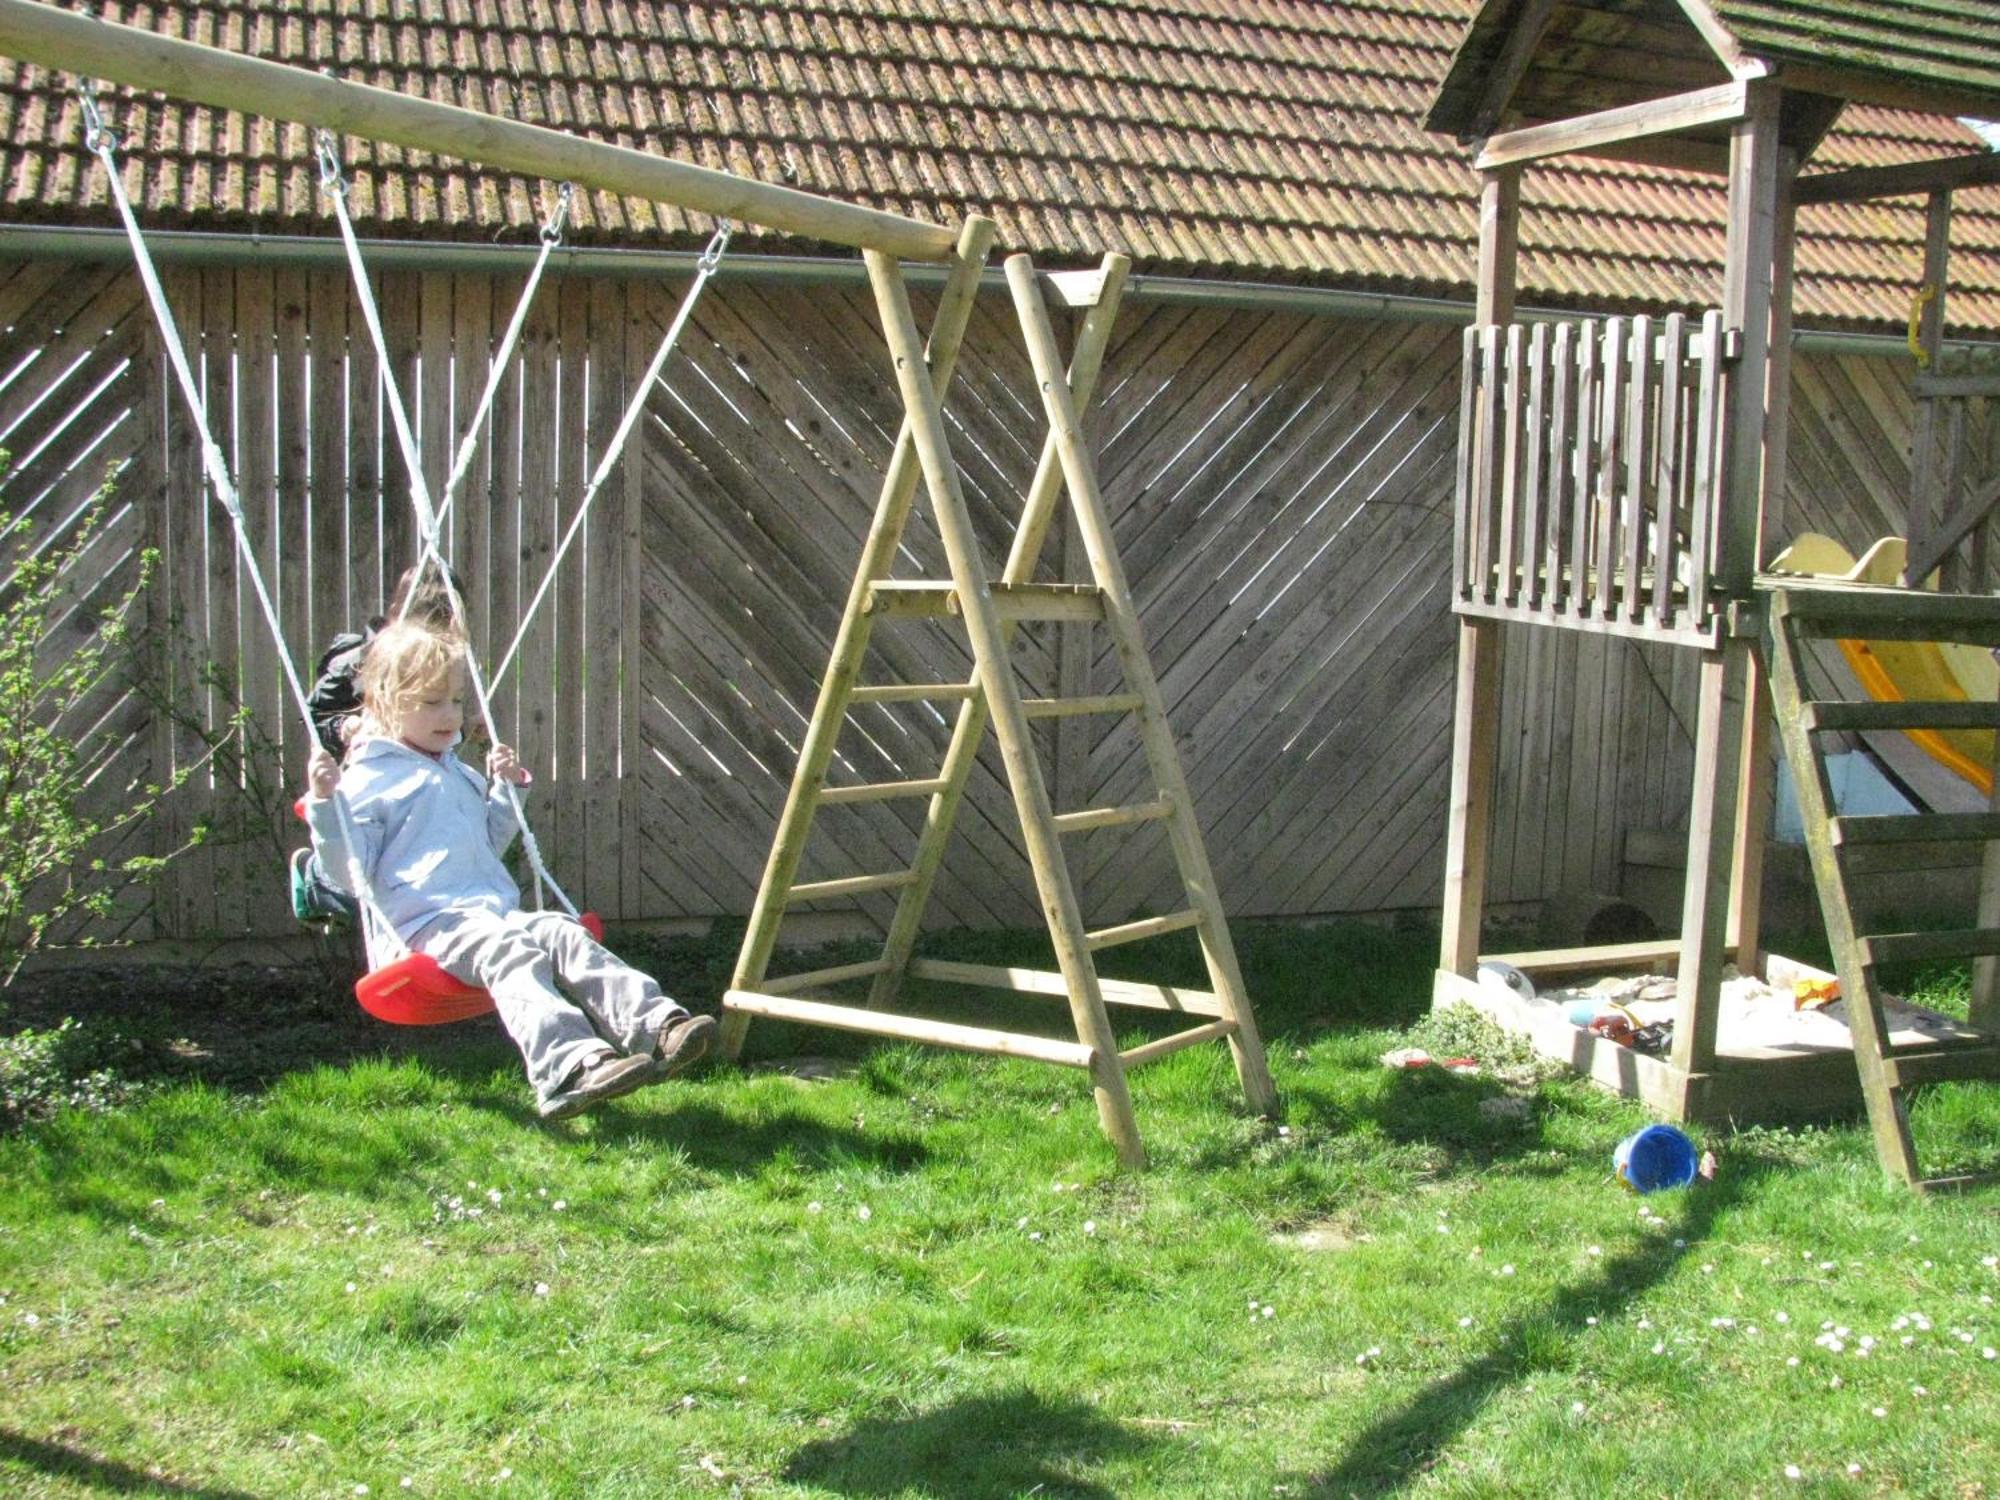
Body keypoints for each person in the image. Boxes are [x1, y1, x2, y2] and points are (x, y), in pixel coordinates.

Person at [303, 618, 715, 1120]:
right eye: (432, 703)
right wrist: (325, 806)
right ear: (387, 702)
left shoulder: (453, 769)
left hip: (489, 914)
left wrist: (506, 791)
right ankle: (566, 1068)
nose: (451, 716)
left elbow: (487, 844)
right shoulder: (368, 780)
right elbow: (349, 875)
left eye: (455, 701)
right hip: (425, 929)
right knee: (512, 948)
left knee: (563, 933)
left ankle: (656, 1027)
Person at [292, 560, 468, 924]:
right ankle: (315, 881)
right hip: (366, 784)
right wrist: (345, 724)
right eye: (428, 622)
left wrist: (469, 722)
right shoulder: (359, 660)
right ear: (398, 614)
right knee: (367, 883)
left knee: (421, 880)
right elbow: (314, 716)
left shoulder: (448, 661)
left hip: (417, 790)